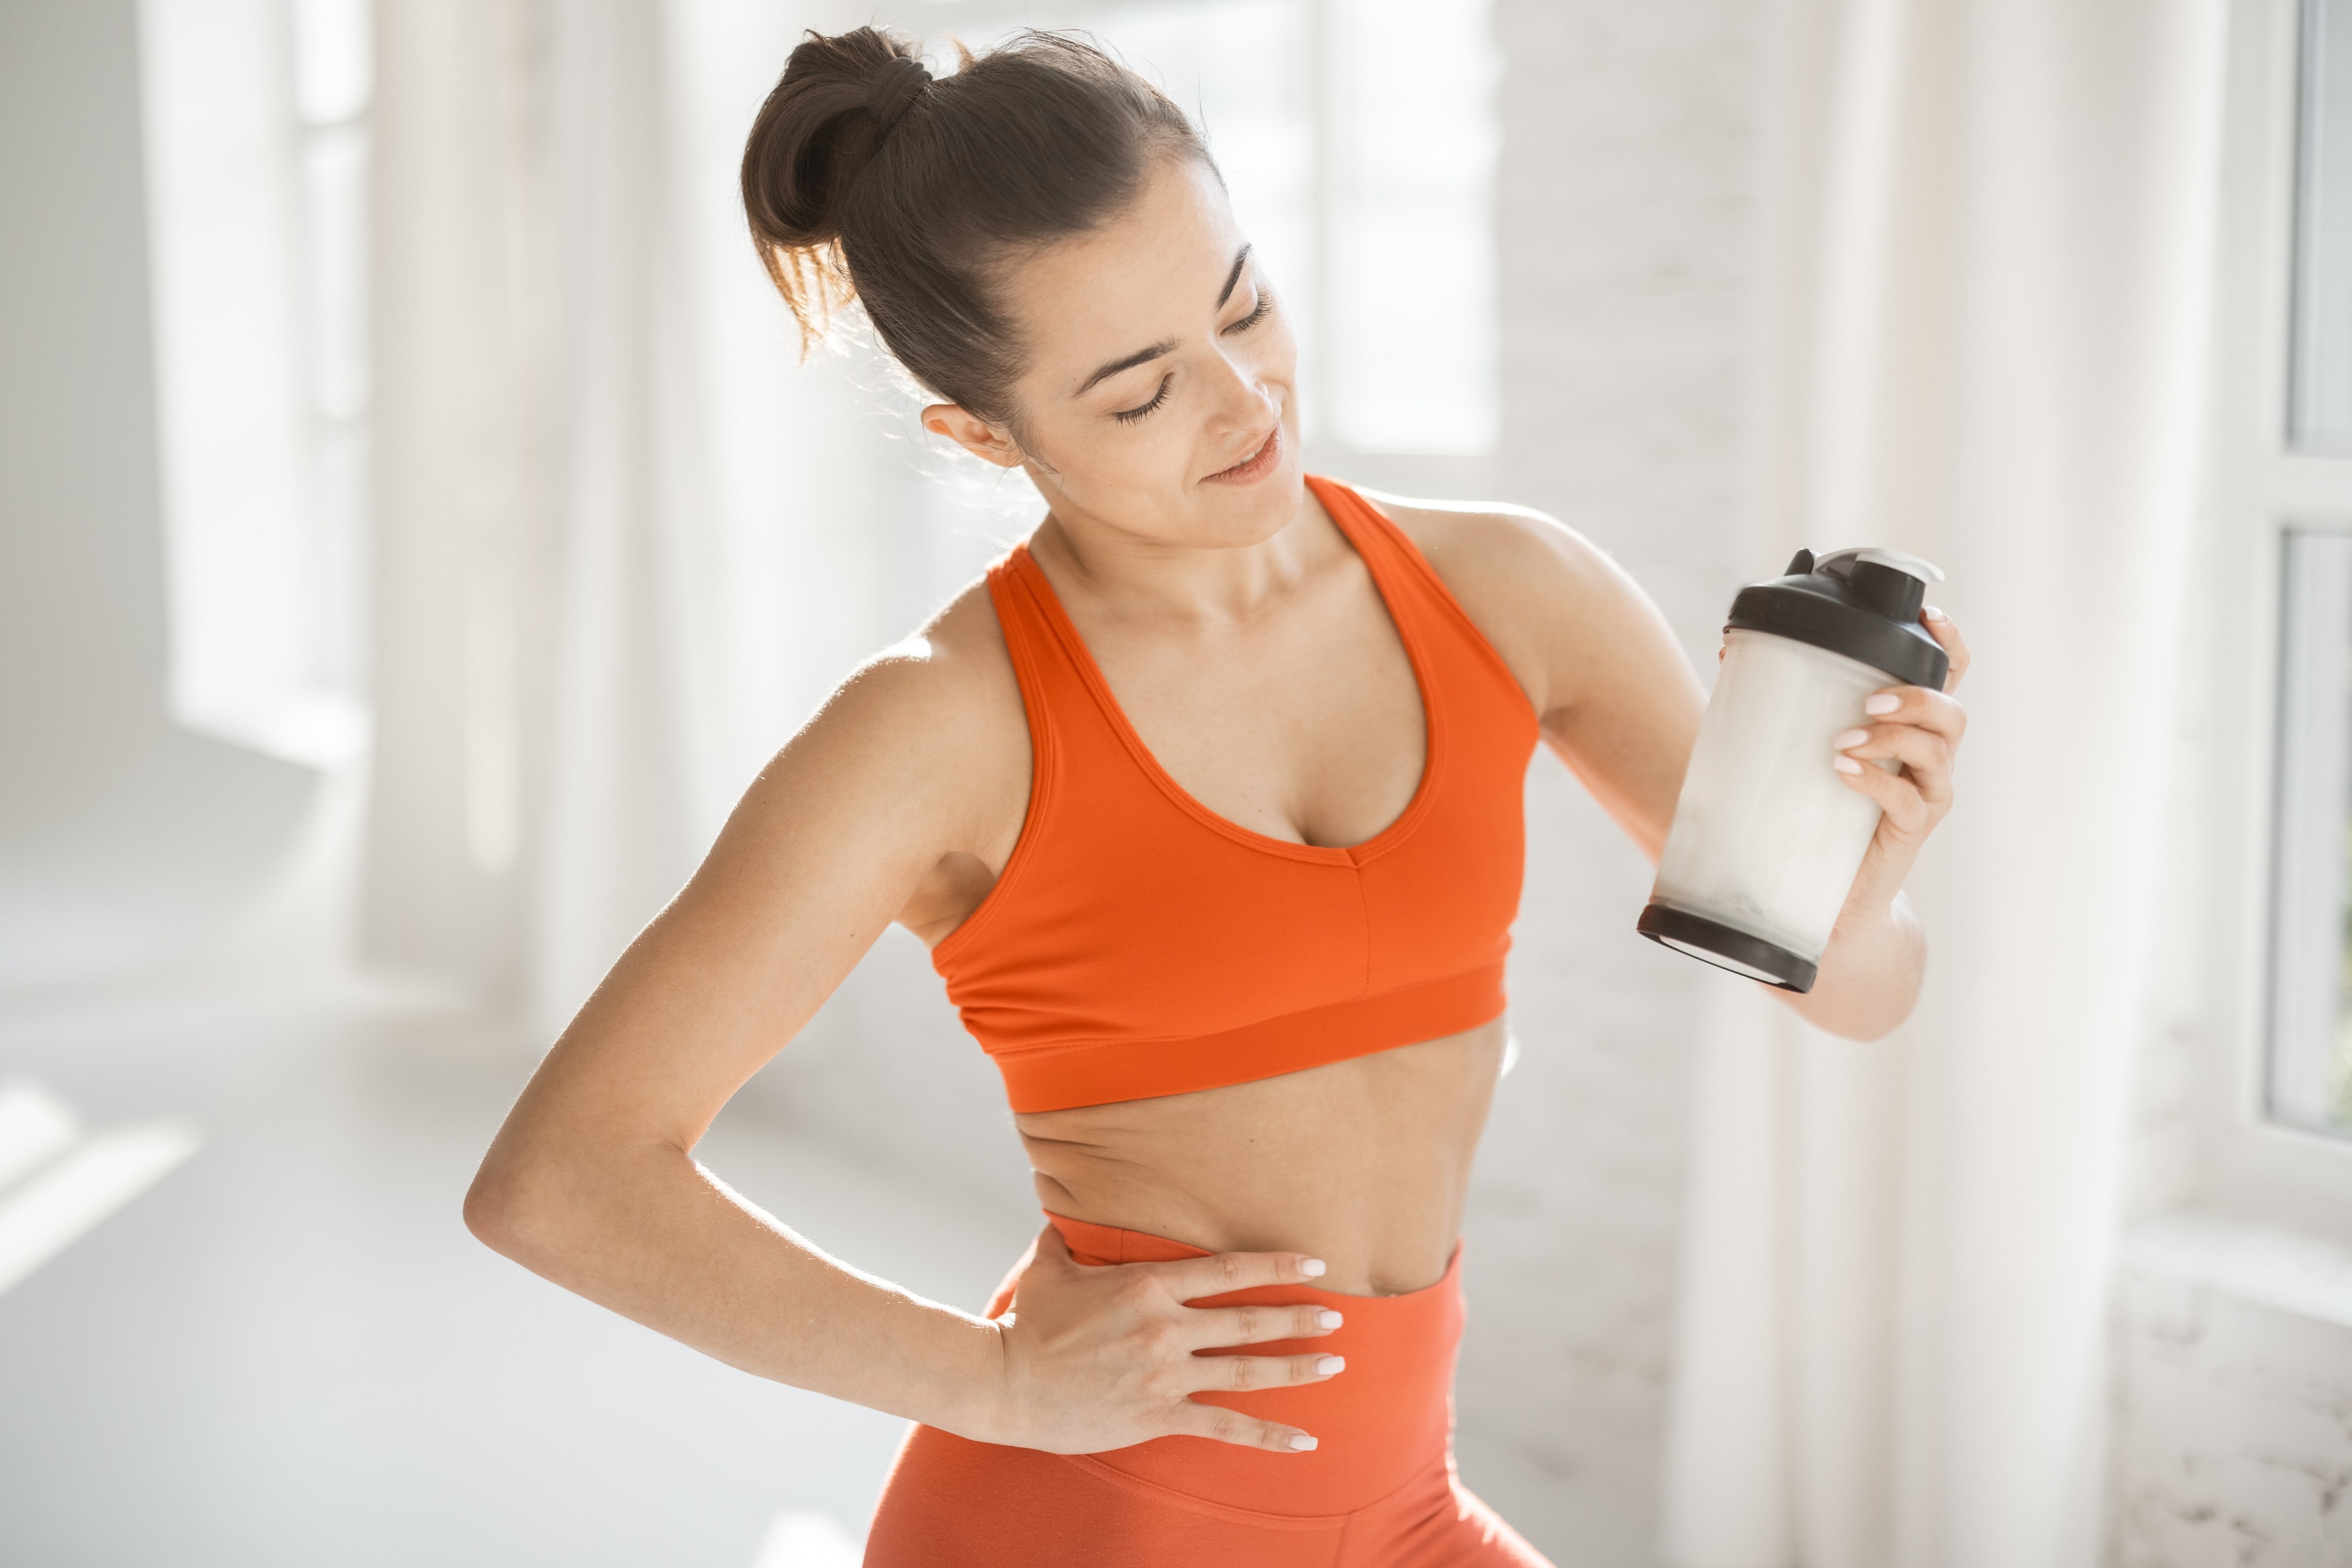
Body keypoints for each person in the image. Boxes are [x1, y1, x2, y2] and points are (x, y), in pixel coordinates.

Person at [463, 25, 1971, 1567]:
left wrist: (1857, 889)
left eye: (1243, 302)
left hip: (1401, 1510)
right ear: (985, 435)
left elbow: (1855, 994)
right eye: (1137, 394)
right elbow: (561, 1184)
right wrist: (987, 1379)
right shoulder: (933, 729)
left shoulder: (1516, 592)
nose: (1245, 400)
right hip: (1090, 1521)